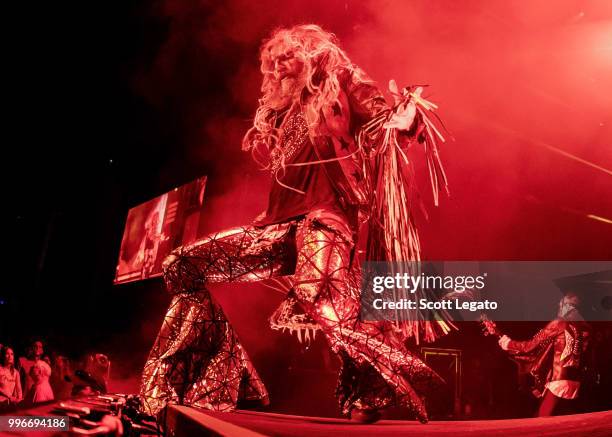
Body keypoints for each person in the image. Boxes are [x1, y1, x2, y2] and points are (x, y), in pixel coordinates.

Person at [141, 24, 450, 423]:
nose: (276, 70)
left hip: (325, 218)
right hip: (275, 228)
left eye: (284, 60)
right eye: (271, 66)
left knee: (320, 294)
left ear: (306, 55)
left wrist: (407, 118)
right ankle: (214, 378)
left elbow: (380, 118)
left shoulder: (339, 80)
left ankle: (373, 384)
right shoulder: (281, 110)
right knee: (182, 265)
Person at [498, 293, 591, 416]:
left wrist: (509, 343)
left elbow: (529, 346)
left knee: (542, 420)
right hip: (576, 382)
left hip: (559, 382)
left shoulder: (559, 323)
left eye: (561, 305)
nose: (558, 307)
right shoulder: (585, 328)